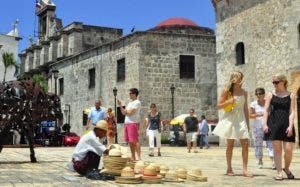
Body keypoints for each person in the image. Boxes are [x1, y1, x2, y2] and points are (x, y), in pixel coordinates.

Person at [213, 70, 252, 177]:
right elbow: (218, 106)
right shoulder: (227, 91)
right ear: (234, 79)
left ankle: (245, 170)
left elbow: (245, 108)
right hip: (230, 118)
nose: (240, 80)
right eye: (238, 77)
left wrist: (248, 124)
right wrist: (228, 102)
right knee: (230, 145)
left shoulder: (244, 92)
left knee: (245, 143)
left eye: (240, 77)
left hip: (241, 119)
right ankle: (229, 168)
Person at [263, 74, 296, 180]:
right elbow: (266, 110)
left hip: (287, 124)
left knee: (288, 149)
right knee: (277, 150)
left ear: (283, 82)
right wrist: (264, 124)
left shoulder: (291, 95)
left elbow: (292, 111)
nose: (274, 84)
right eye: (273, 82)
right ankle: (279, 173)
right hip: (274, 123)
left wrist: (291, 126)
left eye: (276, 82)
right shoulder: (270, 94)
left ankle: (286, 168)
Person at [249, 88, 275, 169]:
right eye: (257, 94)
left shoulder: (268, 102)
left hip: (268, 125)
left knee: (270, 142)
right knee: (258, 144)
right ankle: (260, 161)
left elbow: (272, 113)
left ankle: (273, 161)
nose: (258, 95)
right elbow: (250, 115)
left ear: (264, 94)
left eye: (260, 93)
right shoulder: (253, 104)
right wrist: (258, 114)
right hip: (257, 126)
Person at [118, 88, 141, 162]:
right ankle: (133, 157)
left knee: (135, 140)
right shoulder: (129, 103)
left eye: (130, 93)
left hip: (133, 123)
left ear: (134, 94)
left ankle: (139, 157)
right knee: (130, 141)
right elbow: (124, 113)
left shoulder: (137, 102)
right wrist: (120, 105)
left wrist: (126, 111)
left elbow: (130, 112)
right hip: (127, 123)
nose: (129, 94)